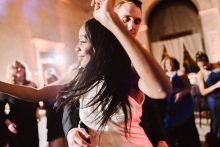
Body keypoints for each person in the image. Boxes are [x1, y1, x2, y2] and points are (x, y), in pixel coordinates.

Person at [0, 0, 171, 146]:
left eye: (82, 41)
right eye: (125, 19)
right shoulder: (79, 75)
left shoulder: (130, 70)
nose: (76, 47)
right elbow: (36, 94)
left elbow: (161, 90)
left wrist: (110, 18)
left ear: (99, 46)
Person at [62, 0, 168, 147]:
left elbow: (151, 104)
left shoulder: (141, 60)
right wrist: (71, 131)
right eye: (126, 19)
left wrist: (160, 138)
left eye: (137, 21)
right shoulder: (91, 59)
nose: (132, 26)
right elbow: (70, 105)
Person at [162, 56, 201, 147]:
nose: (169, 65)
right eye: (167, 63)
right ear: (164, 65)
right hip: (170, 104)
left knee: (186, 126)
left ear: (175, 63)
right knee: (173, 128)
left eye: (171, 62)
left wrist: (181, 93)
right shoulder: (163, 74)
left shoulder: (180, 72)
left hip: (183, 103)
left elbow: (189, 88)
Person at [0, 61, 39, 147]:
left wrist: (37, 111)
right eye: (16, 67)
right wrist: (8, 123)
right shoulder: (8, 87)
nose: (19, 69)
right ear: (11, 71)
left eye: (22, 67)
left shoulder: (32, 84)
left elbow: (36, 101)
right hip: (16, 124)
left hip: (31, 123)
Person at [195, 51, 220, 146]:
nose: (203, 68)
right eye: (201, 66)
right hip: (213, 99)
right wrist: (216, 86)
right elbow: (203, 92)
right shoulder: (200, 74)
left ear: (208, 61)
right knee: (217, 122)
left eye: (205, 65)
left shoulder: (216, 65)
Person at [43, 68, 66, 147]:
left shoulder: (63, 91)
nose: (51, 83)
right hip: (52, 123)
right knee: (53, 143)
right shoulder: (44, 93)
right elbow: (44, 106)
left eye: (52, 80)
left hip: (62, 120)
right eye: (48, 81)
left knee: (65, 142)